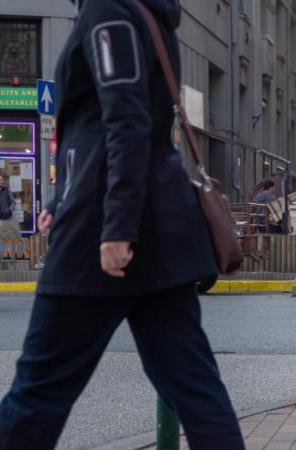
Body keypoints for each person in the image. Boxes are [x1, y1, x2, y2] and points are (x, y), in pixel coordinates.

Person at [0, 1, 244, 448]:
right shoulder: (143, 10)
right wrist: (61, 196)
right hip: (158, 235)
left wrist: (117, 229)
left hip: (103, 230)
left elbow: (127, 121)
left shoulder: (107, 9)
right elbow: (103, 126)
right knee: (196, 389)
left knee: (38, 389)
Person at [0, 176, 19, 240]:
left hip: (7, 216)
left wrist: (9, 210)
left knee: (11, 236)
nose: (1, 182)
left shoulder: (6, 189)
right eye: (0, 180)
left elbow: (13, 202)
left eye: (2, 180)